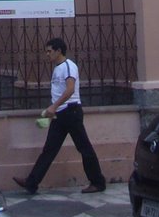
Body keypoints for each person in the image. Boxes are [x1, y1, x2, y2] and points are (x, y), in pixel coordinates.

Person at [13, 37, 107, 195]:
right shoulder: (57, 68)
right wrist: (52, 111)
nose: (47, 54)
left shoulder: (69, 66)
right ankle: (31, 183)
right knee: (49, 149)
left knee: (84, 147)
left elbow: (70, 90)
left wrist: (54, 106)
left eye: (49, 51)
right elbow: (58, 93)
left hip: (71, 112)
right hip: (60, 114)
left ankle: (98, 182)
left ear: (59, 51)